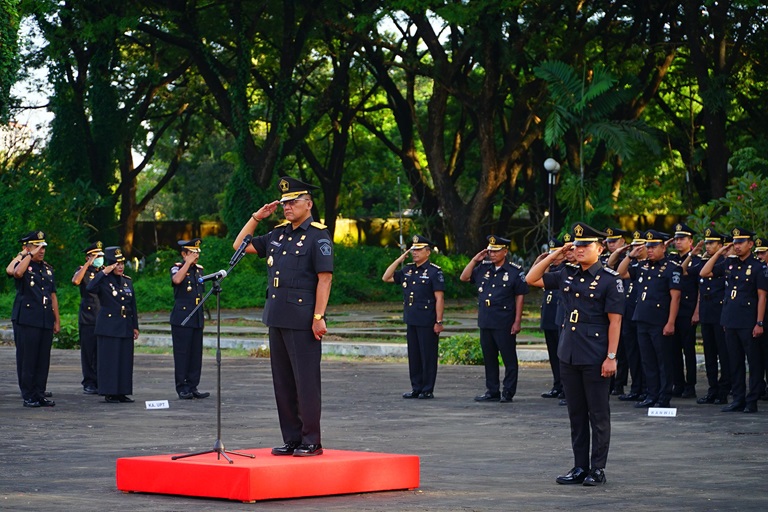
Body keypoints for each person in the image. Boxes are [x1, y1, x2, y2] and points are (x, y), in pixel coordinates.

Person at [233, 176, 333, 457]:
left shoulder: (318, 235)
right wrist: (256, 217)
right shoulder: (277, 234)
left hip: (303, 318)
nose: (287, 207)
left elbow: (324, 279)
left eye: (293, 202)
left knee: (306, 382)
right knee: (283, 383)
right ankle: (291, 438)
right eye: (285, 202)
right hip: (276, 316)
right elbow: (239, 246)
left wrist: (318, 316)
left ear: (308, 204)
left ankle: (311, 440)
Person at [526, 223, 624, 487]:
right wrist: (556, 253)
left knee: (598, 415)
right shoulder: (566, 273)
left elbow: (615, 322)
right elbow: (531, 279)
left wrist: (611, 357)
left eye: (585, 245)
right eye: (577, 245)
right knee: (576, 414)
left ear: (600, 248)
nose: (579, 250)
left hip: (595, 355)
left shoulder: (609, 279)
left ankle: (598, 468)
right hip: (568, 353)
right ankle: (580, 466)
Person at [699, 228, 767, 413]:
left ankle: (751, 400)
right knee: (734, 362)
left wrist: (759, 322)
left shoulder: (758, 266)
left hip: (748, 321)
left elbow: (762, 296)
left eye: (740, 243)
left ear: (750, 244)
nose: (736, 246)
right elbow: (704, 273)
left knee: (753, 363)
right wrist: (720, 253)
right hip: (729, 319)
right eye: (735, 243)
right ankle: (738, 398)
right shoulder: (729, 264)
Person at [460, 235, 528, 402]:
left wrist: (517, 320)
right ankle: (492, 390)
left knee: (508, 358)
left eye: (496, 251)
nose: (492, 254)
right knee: (489, 357)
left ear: (505, 251)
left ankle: (508, 391)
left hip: (504, 320)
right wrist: (475, 260)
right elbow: (464, 277)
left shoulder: (514, 271)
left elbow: (520, 296)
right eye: (490, 251)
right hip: (486, 320)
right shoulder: (484, 268)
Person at [383, 235, 445, 400]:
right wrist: (399, 259)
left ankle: (427, 388)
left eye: (418, 250)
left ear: (428, 252)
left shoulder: (434, 271)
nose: (415, 253)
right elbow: (386, 277)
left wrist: (439, 321)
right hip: (412, 318)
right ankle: (416, 387)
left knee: (428, 355)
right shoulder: (407, 269)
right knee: (414, 355)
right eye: (413, 250)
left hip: (427, 320)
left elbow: (439, 298)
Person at [12, 231, 60, 408]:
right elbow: (17, 273)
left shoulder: (47, 268)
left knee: (42, 359)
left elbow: (52, 296)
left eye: (43, 247)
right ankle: (28, 395)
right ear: (29, 248)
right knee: (28, 358)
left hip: (45, 318)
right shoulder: (24, 265)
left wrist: (57, 320)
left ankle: (40, 393)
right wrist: (28, 255)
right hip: (28, 319)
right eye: (37, 247)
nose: (41, 250)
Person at [87, 246, 139, 404]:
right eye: (117, 263)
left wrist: (135, 326)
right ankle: (110, 391)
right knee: (110, 360)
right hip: (109, 326)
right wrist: (104, 272)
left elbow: (133, 305)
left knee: (124, 360)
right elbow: (90, 287)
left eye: (122, 263)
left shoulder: (127, 281)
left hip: (125, 325)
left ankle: (122, 391)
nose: (120, 266)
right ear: (110, 265)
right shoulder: (103, 280)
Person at [684, 228, 730, 405]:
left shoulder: (723, 263)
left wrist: (719, 253)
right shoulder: (704, 262)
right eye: (707, 243)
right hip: (707, 312)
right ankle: (713, 389)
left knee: (723, 354)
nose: (708, 246)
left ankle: (724, 390)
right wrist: (693, 254)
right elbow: (685, 270)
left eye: (712, 243)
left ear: (720, 245)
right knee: (709, 354)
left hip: (720, 313)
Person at [607, 230, 647, 402]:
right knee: (632, 354)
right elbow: (616, 270)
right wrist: (629, 255)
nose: (637, 248)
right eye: (635, 245)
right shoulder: (633, 265)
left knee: (644, 355)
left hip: (644, 315)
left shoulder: (652, 266)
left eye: (641, 245)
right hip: (628, 313)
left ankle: (647, 389)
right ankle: (636, 388)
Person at [170, 238, 209, 400]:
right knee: (182, 354)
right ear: (184, 254)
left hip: (197, 317)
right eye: (192, 253)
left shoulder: (199, 270)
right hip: (182, 318)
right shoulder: (177, 268)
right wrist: (187, 263)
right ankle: (182, 387)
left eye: (197, 253)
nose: (196, 256)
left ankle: (193, 386)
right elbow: (177, 280)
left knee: (195, 354)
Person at [668, 223, 700, 398]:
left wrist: (696, 311)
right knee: (674, 350)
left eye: (682, 239)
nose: (678, 242)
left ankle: (691, 385)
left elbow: (699, 288)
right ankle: (678, 383)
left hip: (688, 310)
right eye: (677, 239)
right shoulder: (671, 259)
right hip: (674, 311)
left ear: (691, 241)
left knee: (689, 350)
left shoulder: (696, 260)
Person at [71, 241, 104, 395]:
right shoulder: (83, 271)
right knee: (88, 351)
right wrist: (87, 264)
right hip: (88, 316)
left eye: (100, 256)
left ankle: (100, 380)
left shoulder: (104, 272)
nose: (99, 259)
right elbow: (76, 281)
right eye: (96, 256)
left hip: (103, 316)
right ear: (88, 257)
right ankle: (89, 382)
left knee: (101, 352)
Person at [603, 227, 631, 396]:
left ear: (623, 242)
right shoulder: (607, 259)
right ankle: (612, 383)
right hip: (611, 308)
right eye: (608, 242)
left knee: (624, 351)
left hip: (626, 308)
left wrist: (625, 252)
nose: (611, 245)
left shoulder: (630, 258)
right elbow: (608, 265)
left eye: (614, 242)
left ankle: (620, 383)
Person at [537, 238, 565, 401]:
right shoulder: (551, 268)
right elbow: (536, 279)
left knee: (562, 356)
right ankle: (557, 384)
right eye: (552, 251)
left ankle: (564, 387)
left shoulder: (564, 269)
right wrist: (542, 261)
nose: (554, 255)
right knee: (553, 356)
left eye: (557, 252)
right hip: (549, 318)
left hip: (560, 318)